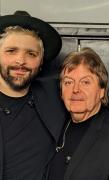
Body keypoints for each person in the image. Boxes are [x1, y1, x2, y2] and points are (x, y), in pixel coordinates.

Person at [48, 47, 109, 180]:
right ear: (61, 92)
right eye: (68, 82)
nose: (75, 89)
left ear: (102, 90)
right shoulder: (54, 127)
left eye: (85, 82)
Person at [0, 12, 66, 179]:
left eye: (31, 54)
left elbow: (96, 105)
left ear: (41, 61)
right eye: (11, 51)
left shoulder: (54, 94)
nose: (21, 60)